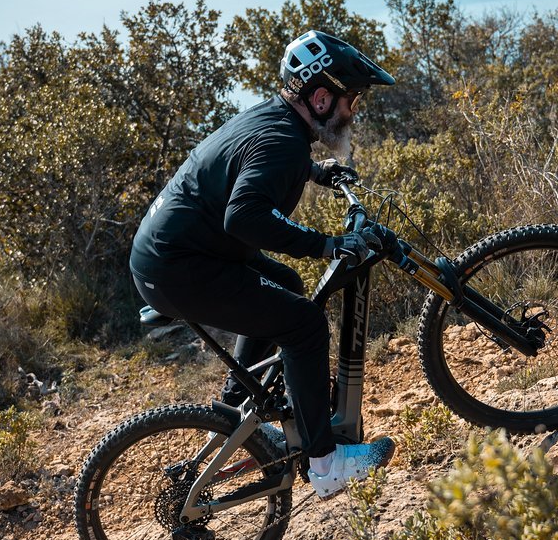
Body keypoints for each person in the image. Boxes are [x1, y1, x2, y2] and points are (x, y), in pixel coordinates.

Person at [129, 30, 397, 499]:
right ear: (319, 97)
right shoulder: (283, 143)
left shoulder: (274, 121)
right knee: (306, 326)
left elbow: (252, 162)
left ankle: (233, 424)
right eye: (350, 99)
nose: (353, 111)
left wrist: (317, 172)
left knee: (285, 285)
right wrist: (329, 244)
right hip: (179, 267)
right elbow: (245, 216)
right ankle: (326, 463)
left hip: (171, 255)